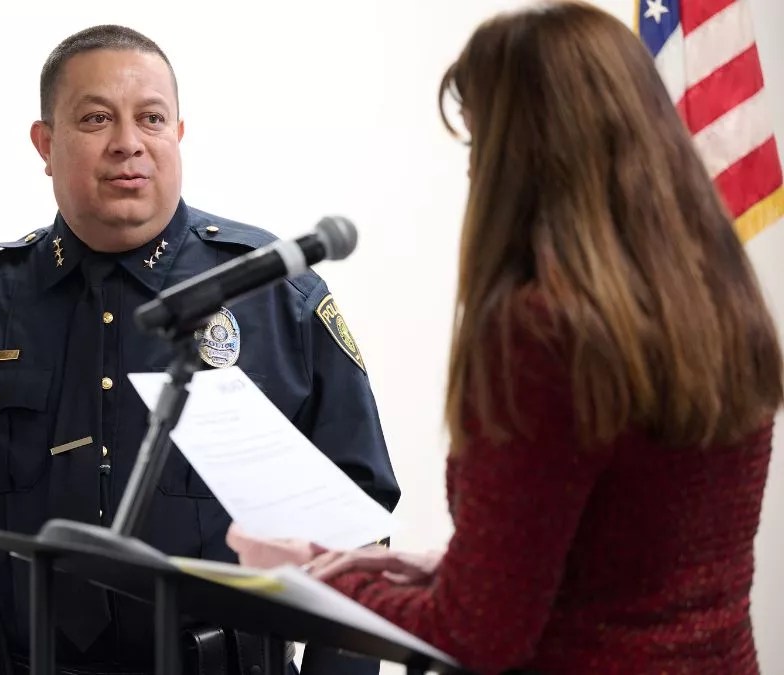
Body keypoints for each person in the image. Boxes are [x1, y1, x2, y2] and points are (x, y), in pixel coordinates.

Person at [0, 24, 400, 674]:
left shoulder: (274, 295)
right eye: (96, 118)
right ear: (46, 143)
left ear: (179, 134)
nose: (128, 144)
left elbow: (358, 524)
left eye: (151, 118)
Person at [227, 2, 781, 674]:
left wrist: (313, 580)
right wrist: (443, 568)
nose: (472, 170)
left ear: (526, 152)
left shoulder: (543, 332)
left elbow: (477, 636)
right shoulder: (718, 295)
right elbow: (633, 559)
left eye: (479, 140)